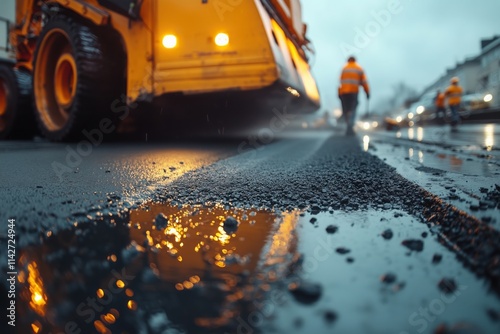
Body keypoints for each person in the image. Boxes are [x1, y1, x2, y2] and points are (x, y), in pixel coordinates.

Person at [338, 56, 370, 135]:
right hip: (353, 92)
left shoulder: (344, 68)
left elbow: (340, 82)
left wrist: (339, 93)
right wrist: (367, 92)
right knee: (353, 109)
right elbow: (364, 82)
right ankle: (350, 126)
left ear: (348, 60)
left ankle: (348, 124)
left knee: (346, 110)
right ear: (355, 60)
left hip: (344, 93)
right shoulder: (359, 68)